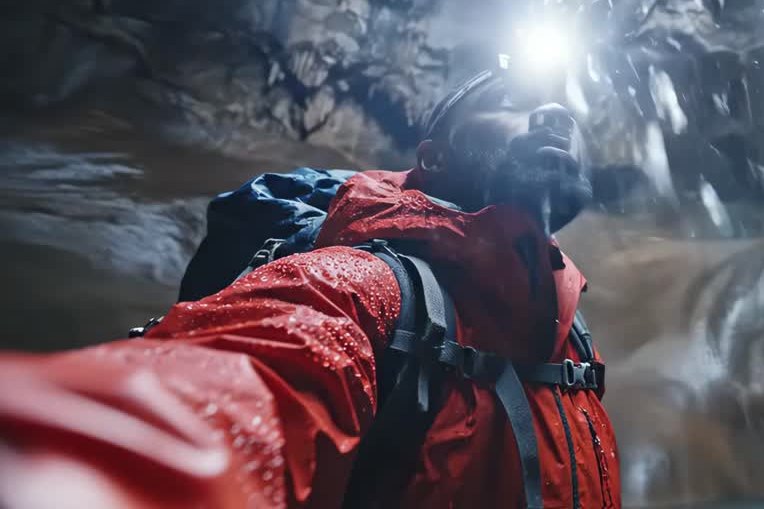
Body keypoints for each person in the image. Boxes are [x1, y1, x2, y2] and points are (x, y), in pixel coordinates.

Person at [0, 63, 620, 509]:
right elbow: (234, 391)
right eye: (512, 100)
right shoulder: (362, 289)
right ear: (433, 157)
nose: (556, 112)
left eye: (562, 103)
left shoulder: (574, 343)